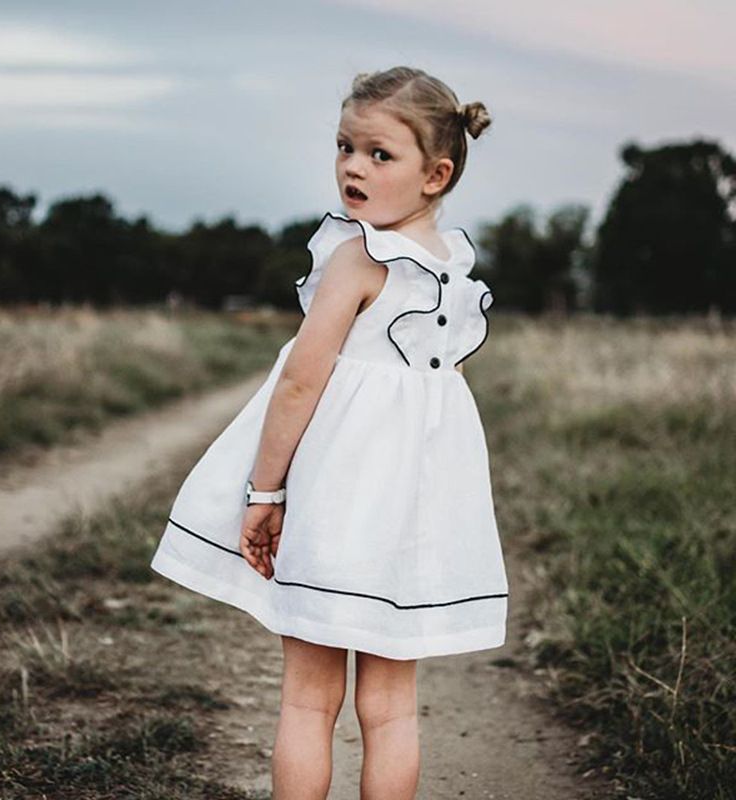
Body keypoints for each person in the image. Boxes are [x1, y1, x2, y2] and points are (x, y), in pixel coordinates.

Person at [150, 65, 509, 800]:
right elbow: (443, 400)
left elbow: (301, 383)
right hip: (408, 519)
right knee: (392, 708)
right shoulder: (457, 273)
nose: (352, 166)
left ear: (436, 174)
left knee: (309, 700)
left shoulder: (357, 259)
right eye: (345, 146)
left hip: (338, 504)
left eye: (380, 154)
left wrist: (264, 490)